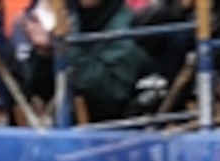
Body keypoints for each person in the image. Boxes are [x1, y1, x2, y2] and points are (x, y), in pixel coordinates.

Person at [21, 0, 156, 124]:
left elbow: (111, 94)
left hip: (116, 134)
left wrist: (65, 48)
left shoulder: (133, 25)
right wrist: (44, 54)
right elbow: (40, 91)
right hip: (66, 131)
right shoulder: (69, 18)